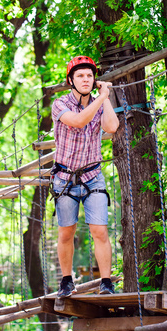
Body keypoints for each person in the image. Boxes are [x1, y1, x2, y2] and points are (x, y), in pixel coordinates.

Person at [51, 55, 119, 299]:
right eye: (80, 75)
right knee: (66, 232)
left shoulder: (100, 102)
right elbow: (78, 121)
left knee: (100, 231)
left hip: (92, 177)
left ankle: (106, 282)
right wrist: (100, 98)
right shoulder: (60, 104)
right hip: (65, 179)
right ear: (71, 80)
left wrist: (106, 99)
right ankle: (67, 281)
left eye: (90, 75)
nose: (85, 79)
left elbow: (111, 127)